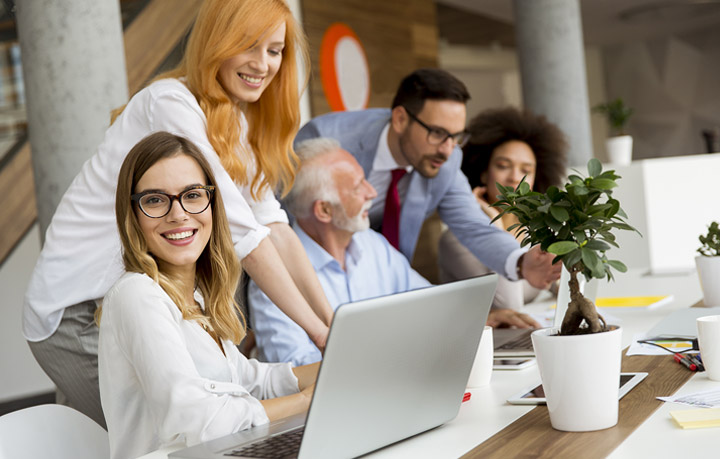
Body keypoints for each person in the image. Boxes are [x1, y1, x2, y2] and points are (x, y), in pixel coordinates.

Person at [24, 0, 332, 428]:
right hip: (79, 309)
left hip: (148, 301)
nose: (263, 64)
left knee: (183, 426)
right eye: (249, 45)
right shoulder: (169, 102)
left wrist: (334, 322)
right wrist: (321, 335)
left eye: (275, 51)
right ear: (216, 43)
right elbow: (247, 238)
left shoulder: (238, 124)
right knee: (177, 434)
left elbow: (274, 227)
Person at [98, 132, 318, 459]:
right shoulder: (137, 295)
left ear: (211, 203)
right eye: (155, 200)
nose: (178, 214)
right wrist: (305, 401)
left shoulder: (195, 297)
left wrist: (331, 370)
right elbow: (197, 421)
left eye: (192, 195)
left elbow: (247, 381)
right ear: (133, 215)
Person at [249, 138, 539, 366]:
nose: (372, 193)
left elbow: (429, 305)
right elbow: (295, 370)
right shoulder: (273, 276)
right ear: (324, 210)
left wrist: (478, 318)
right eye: (357, 187)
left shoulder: (373, 245)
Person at [294, 68, 561, 301]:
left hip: (389, 280)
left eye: (456, 136)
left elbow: (472, 225)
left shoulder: (446, 159)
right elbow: (283, 223)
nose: (447, 150)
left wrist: (522, 263)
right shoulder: (325, 143)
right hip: (317, 279)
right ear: (400, 119)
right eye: (438, 133)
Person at [438, 107, 568, 310]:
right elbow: (509, 306)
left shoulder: (533, 231)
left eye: (526, 170)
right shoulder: (456, 241)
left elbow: (560, 287)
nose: (515, 177)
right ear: (483, 173)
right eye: (503, 165)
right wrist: (497, 228)